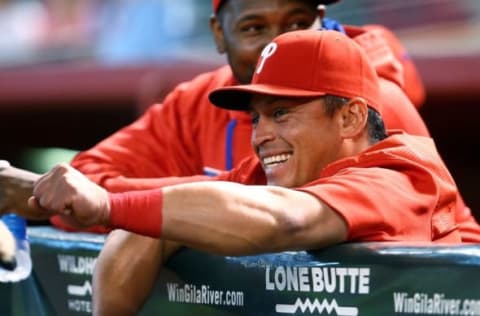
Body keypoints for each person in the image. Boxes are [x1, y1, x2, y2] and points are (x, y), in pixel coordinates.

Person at [0, 1, 479, 314]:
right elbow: (151, 225)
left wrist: (106, 202)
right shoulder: (269, 169)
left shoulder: (399, 166)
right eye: (257, 117)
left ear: (352, 118)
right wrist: (124, 211)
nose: (263, 135)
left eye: (284, 113)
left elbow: (284, 221)